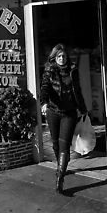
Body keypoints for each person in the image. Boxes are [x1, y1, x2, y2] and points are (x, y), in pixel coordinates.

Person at [40, 43, 88, 193]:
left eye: (64, 56)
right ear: (54, 58)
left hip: (69, 113)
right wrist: (44, 102)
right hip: (53, 112)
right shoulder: (49, 70)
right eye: (59, 56)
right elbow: (45, 88)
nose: (62, 58)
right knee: (55, 144)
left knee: (64, 144)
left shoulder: (73, 70)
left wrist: (83, 109)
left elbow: (77, 90)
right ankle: (60, 167)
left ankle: (60, 177)